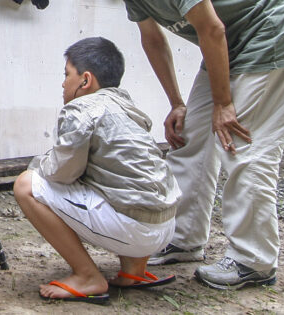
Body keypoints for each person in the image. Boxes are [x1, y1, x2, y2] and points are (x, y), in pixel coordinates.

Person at [68, 0, 284, 290]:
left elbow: (212, 28)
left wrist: (224, 103)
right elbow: (153, 40)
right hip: (229, 45)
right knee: (190, 136)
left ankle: (254, 261)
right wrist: (177, 103)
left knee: (243, 147)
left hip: (269, 32)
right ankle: (184, 238)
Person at [14, 37, 179, 304]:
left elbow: (61, 173)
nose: (63, 82)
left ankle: (87, 276)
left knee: (26, 186)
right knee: (119, 178)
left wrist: (38, 163)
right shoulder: (126, 105)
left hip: (135, 229)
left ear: (85, 80)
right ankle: (134, 271)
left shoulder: (81, 108)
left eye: (67, 74)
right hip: (166, 226)